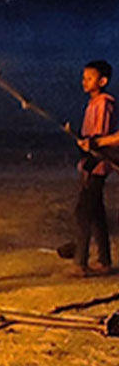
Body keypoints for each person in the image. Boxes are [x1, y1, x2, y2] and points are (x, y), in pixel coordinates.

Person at [67, 60, 116, 276]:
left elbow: (100, 137)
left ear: (102, 81)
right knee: (96, 213)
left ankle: (81, 262)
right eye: (84, 78)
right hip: (92, 163)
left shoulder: (104, 104)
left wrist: (90, 149)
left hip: (97, 164)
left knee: (83, 212)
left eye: (89, 78)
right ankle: (104, 260)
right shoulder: (93, 103)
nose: (84, 81)